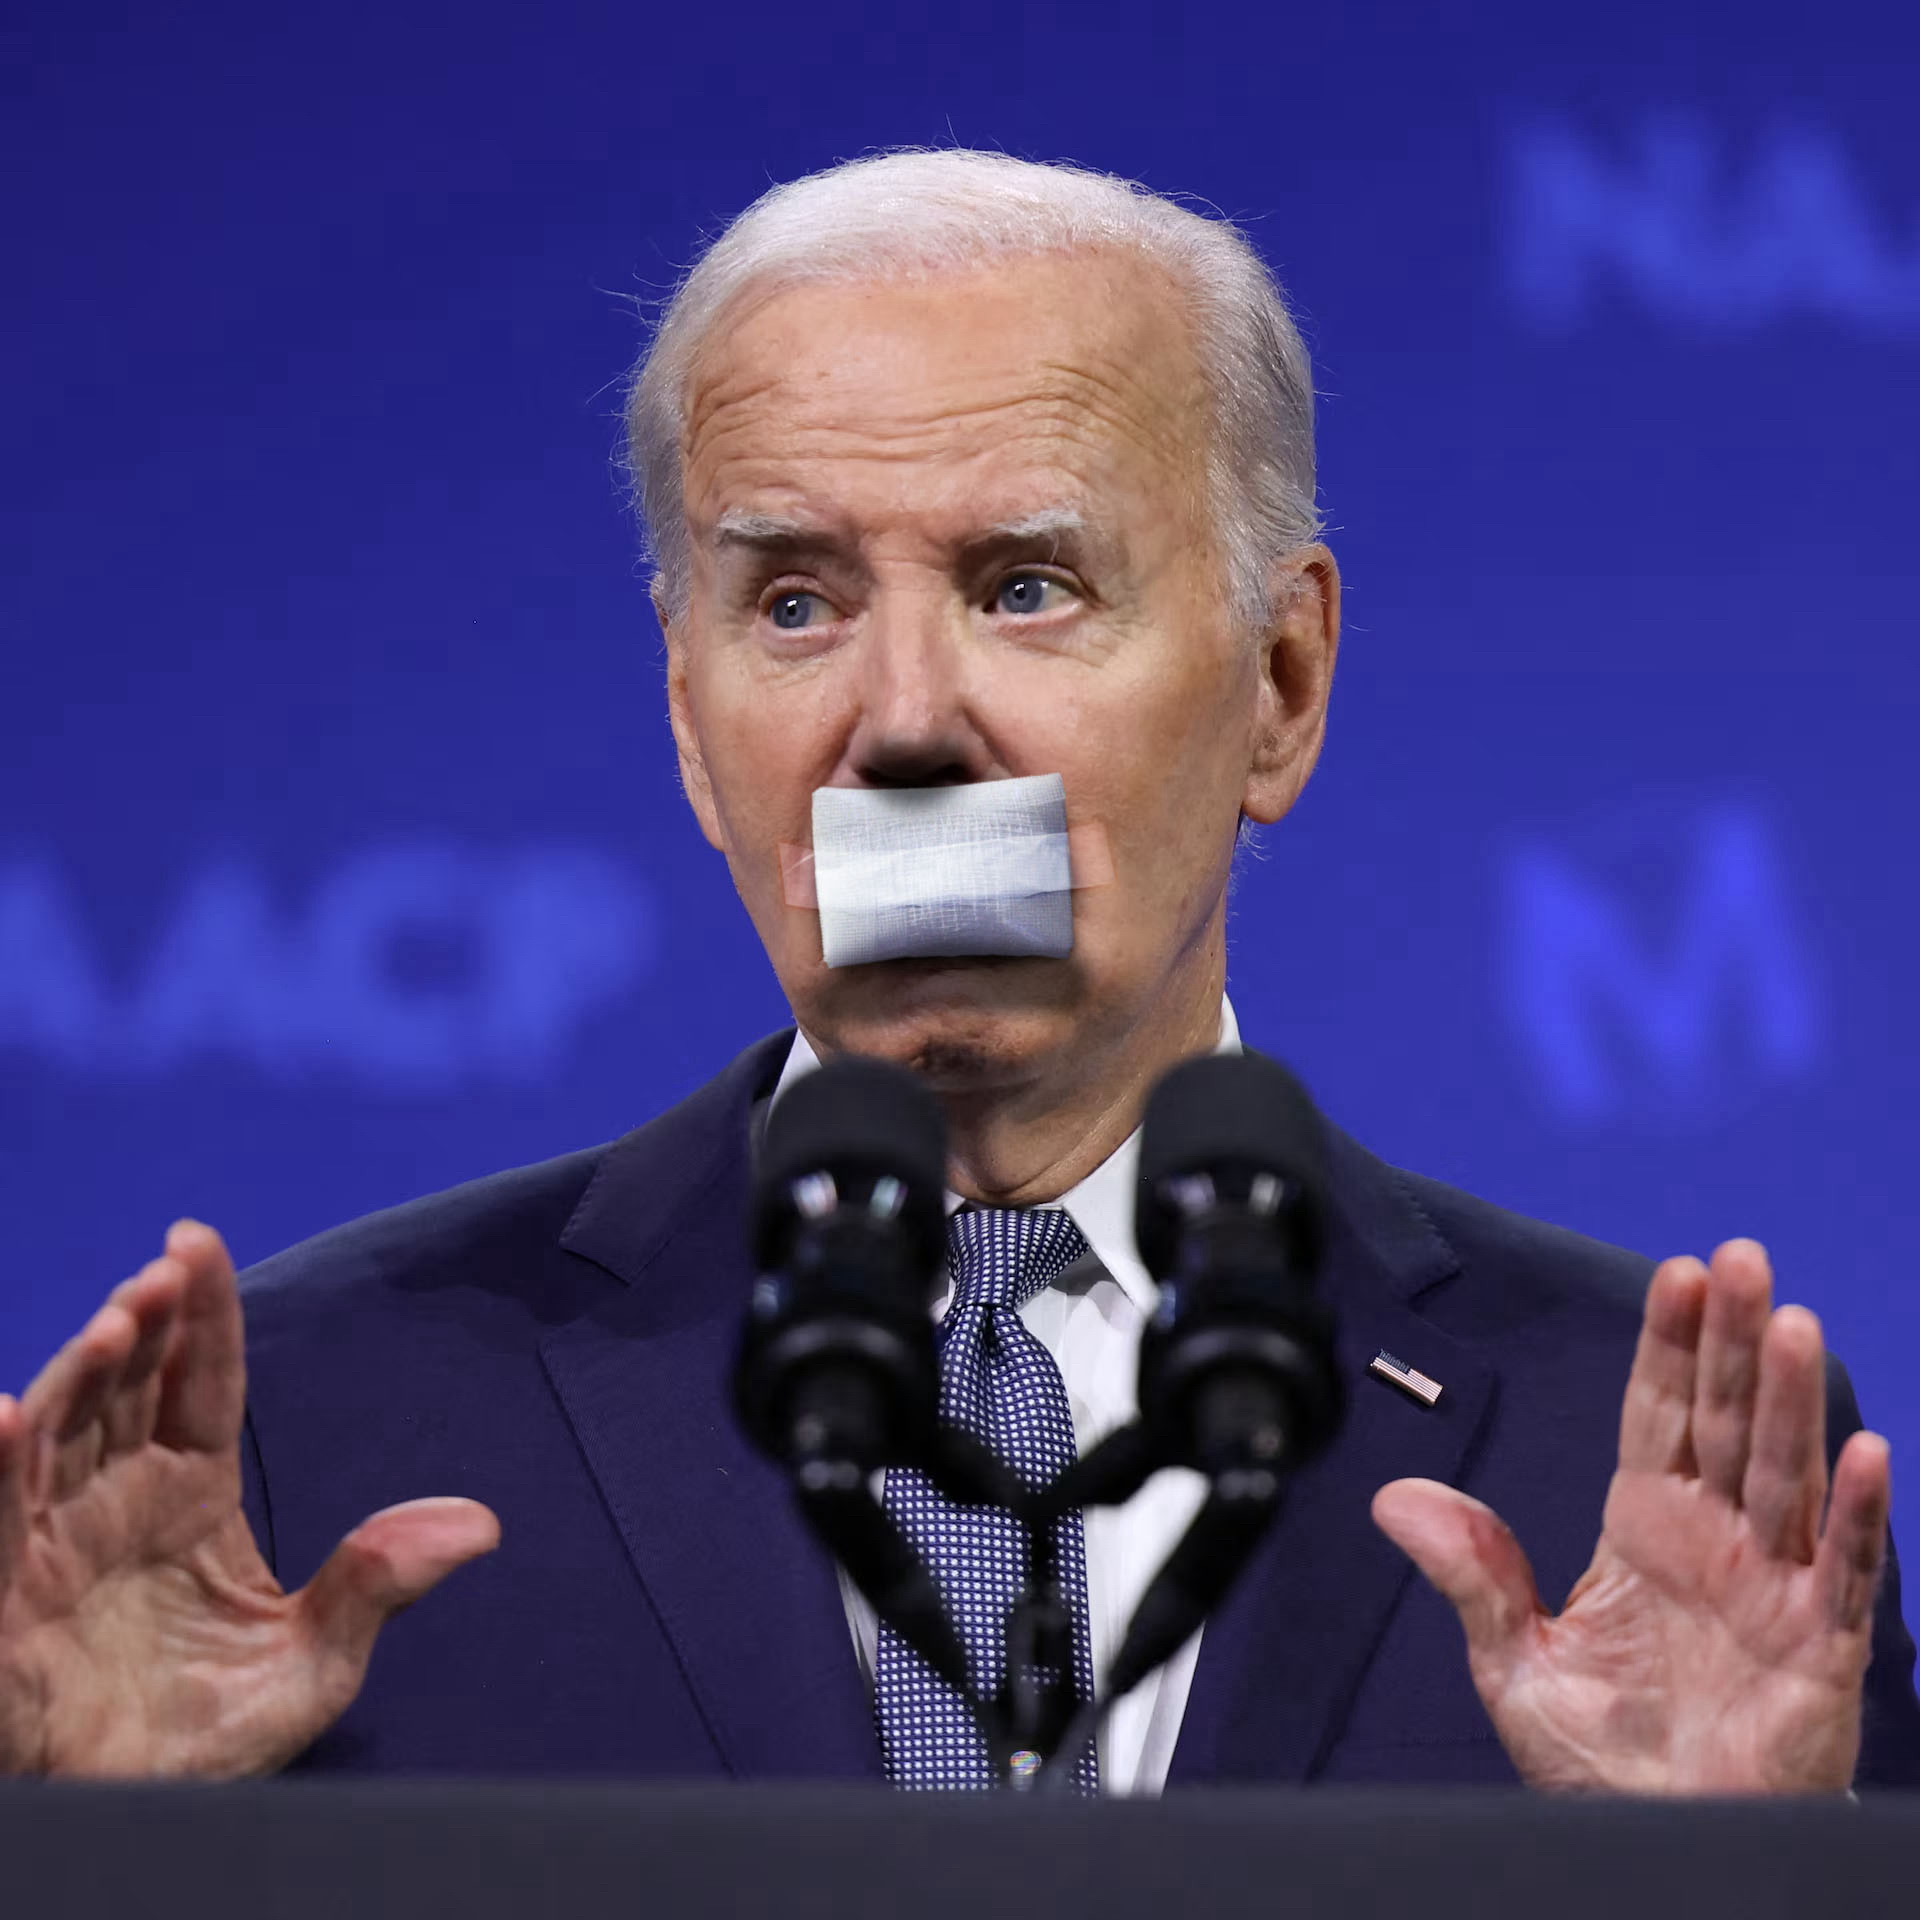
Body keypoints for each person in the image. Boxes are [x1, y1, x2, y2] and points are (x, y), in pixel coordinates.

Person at [2, 150, 1915, 1791]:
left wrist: (1752, 1893)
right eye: (798, 603)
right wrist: (101, 1862)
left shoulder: (1639, 1471)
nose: (905, 722)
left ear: (1281, 685)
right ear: (689, 719)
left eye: (1024, 585)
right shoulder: (315, 1424)